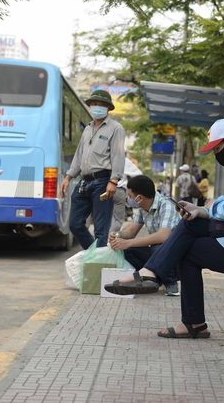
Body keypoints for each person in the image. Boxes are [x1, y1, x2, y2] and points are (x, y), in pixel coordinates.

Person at [104, 118, 224, 339]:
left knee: (187, 243)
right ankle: (172, 298)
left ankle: (162, 286)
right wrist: (200, 210)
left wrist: (211, 205)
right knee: (190, 228)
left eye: (217, 148)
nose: (216, 155)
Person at [60, 89, 126, 249]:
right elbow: (79, 155)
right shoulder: (87, 129)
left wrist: (114, 180)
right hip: (84, 181)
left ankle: (97, 264)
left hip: (104, 182)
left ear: (108, 108)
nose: (97, 107)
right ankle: (95, 255)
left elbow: (118, 156)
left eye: (101, 105)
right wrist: (68, 177)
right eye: (94, 104)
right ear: (89, 106)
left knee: (101, 230)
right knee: (75, 224)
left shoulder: (116, 128)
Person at [108, 175, 182, 296]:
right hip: (158, 256)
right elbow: (131, 231)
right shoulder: (142, 209)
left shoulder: (167, 205)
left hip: (175, 257)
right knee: (127, 250)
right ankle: (153, 279)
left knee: (158, 246)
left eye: (130, 196)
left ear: (139, 198)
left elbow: (163, 236)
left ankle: (171, 283)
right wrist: (117, 235)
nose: (129, 199)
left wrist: (128, 242)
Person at [110, 158, 143, 233]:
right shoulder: (124, 160)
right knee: (117, 219)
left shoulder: (103, 158)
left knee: (103, 218)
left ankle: (101, 240)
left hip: (102, 190)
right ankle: (110, 238)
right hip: (118, 190)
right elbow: (138, 174)